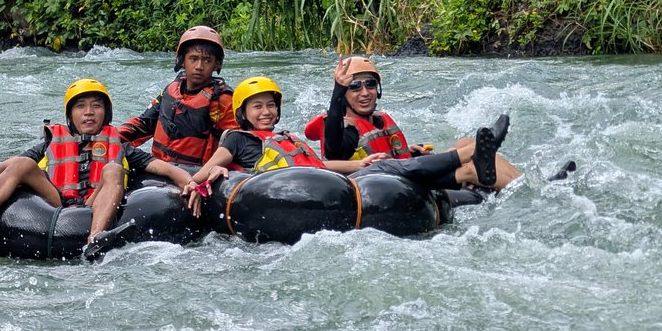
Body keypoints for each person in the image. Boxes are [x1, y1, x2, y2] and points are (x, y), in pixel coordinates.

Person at [0, 78, 201, 251]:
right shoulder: (51, 141)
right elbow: (4, 166)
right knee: (23, 163)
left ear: (106, 113)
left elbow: (164, 168)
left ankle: (94, 240)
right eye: (81, 107)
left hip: (92, 201)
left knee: (112, 168)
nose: (89, 112)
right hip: (53, 199)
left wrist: (189, 183)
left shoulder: (119, 146)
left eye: (96, 106)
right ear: (70, 114)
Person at [186, 76, 517, 195]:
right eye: (257, 107)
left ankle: (475, 160)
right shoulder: (236, 138)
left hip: (327, 180)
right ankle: (471, 152)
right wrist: (213, 175)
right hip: (296, 190)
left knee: (389, 166)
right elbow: (204, 171)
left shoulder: (289, 136)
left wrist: (362, 164)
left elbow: (320, 164)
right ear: (243, 113)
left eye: (270, 106)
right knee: (395, 169)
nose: (266, 113)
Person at [306, 56, 522, 186]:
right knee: (471, 165)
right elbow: (334, 148)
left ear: (377, 89)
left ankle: (525, 183)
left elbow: (391, 154)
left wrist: (410, 151)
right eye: (354, 87)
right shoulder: (345, 126)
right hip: (379, 187)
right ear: (344, 95)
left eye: (370, 85)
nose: (364, 92)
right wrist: (337, 90)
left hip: (406, 172)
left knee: (465, 142)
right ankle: (514, 183)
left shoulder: (380, 120)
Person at [117, 25, 237, 169]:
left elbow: (235, 142)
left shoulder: (221, 99)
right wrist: (111, 137)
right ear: (182, 61)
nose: (199, 66)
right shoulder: (172, 89)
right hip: (159, 168)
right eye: (193, 59)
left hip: (196, 174)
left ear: (216, 64)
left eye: (207, 60)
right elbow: (144, 124)